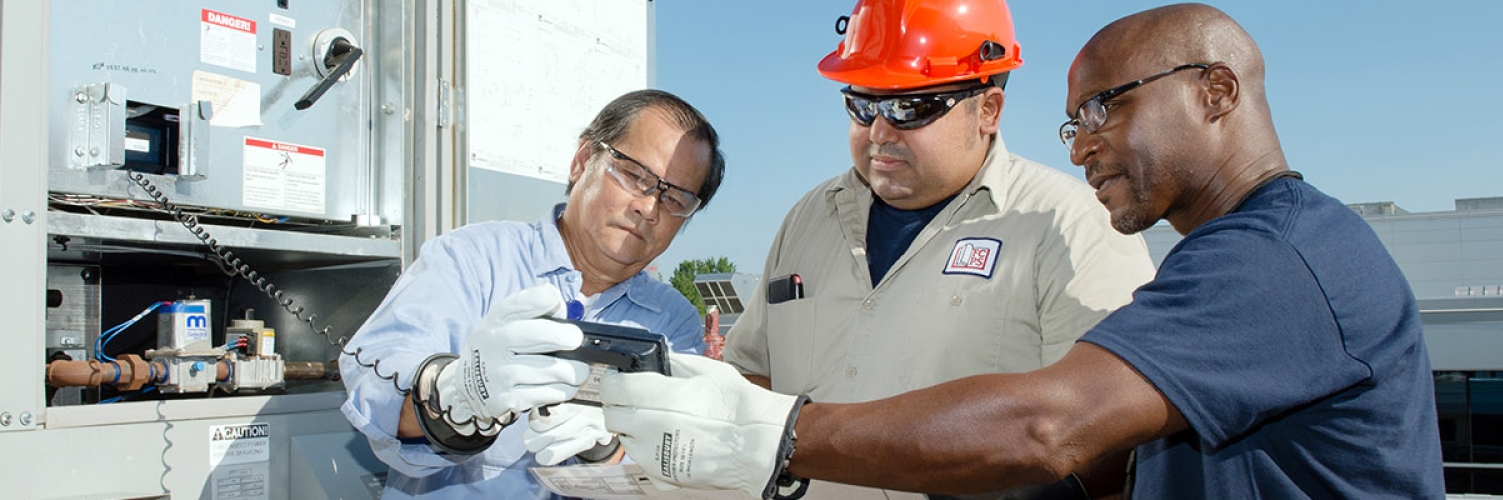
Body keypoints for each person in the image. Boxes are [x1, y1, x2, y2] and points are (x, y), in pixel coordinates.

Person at [599, 4, 1444, 499]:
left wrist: (770, 435)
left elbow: (1056, 428)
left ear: (1215, 90)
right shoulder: (1224, 256)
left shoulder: (1276, 261)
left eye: (1105, 110)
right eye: (863, 104)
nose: (1083, 145)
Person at [717, 0, 1154, 496]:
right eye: (863, 105)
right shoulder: (809, 218)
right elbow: (749, 372)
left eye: (909, 108)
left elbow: (1105, 441)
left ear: (987, 110)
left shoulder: (1070, 227)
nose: (879, 133)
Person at [338, 89, 724, 499]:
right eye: (635, 176)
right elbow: (374, 379)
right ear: (582, 161)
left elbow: (682, 463)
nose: (648, 208)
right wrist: (453, 393)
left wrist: (610, 451)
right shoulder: (472, 259)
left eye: (675, 198)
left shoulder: (673, 324)